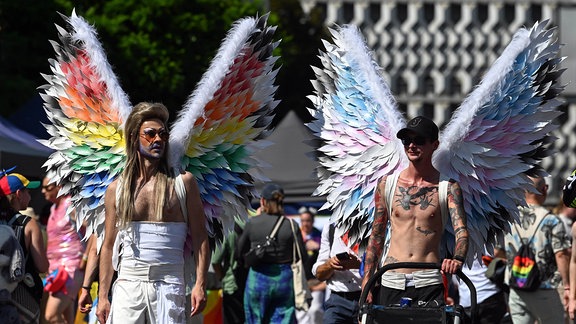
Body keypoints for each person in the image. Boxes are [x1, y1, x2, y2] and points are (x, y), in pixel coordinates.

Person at [96, 102, 210, 324]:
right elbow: (108, 244)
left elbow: (200, 237)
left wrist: (200, 284)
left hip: (170, 283)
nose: (158, 139)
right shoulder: (116, 190)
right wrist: (102, 296)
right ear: (134, 137)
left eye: (163, 135)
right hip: (128, 282)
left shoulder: (183, 183)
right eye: (150, 134)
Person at [361, 116, 469, 307]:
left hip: (428, 280)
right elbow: (376, 235)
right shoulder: (387, 184)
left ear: (434, 144)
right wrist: (367, 281)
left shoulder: (448, 187)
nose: (411, 145)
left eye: (419, 140)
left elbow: (461, 231)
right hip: (391, 278)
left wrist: (457, 259)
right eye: (406, 140)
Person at [497, 175, 570, 324]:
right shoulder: (552, 221)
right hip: (544, 288)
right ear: (544, 190)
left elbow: (497, 252)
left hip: (516, 287)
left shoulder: (510, 218)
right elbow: (561, 255)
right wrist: (567, 286)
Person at [237, 183, 308, 324]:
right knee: (283, 319)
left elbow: (239, 253)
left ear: (263, 201)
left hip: (258, 277)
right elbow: (302, 256)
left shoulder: (253, 223)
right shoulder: (291, 225)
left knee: (255, 319)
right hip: (284, 279)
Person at [0, 170, 49, 323]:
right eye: (28, 191)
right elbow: (42, 266)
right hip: (23, 295)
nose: (30, 195)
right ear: (19, 194)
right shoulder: (29, 224)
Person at [42, 176, 87, 324]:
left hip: (71, 267)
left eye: (47, 187)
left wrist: (86, 257)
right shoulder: (54, 208)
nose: (43, 191)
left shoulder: (71, 205)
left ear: (60, 187)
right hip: (56, 271)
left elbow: (94, 231)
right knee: (68, 319)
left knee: (51, 315)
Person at [313, 222, 362, 323]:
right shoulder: (331, 226)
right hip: (337, 300)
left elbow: (385, 268)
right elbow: (319, 273)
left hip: (367, 298)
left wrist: (359, 265)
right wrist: (330, 265)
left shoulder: (374, 223)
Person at [212, 217, 246, 324]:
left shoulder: (227, 228)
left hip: (231, 284)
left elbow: (215, 261)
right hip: (250, 283)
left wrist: (222, 277)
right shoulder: (253, 224)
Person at [297, 206, 325, 324]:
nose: (305, 223)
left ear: (313, 221)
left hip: (316, 283)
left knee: (315, 310)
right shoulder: (296, 237)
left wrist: (318, 248)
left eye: (308, 220)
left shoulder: (320, 236)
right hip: (300, 282)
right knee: (301, 313)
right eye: (303, 220)